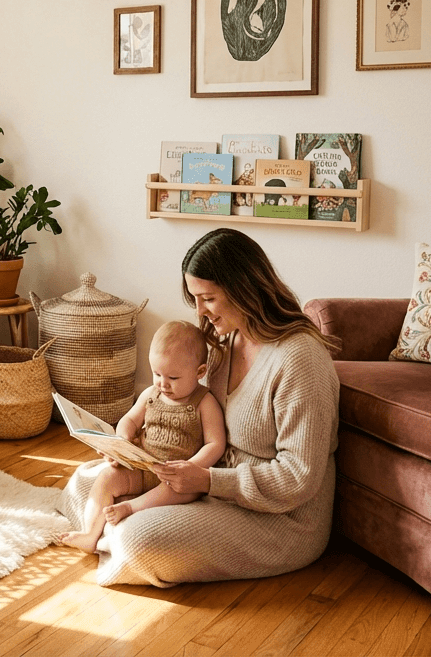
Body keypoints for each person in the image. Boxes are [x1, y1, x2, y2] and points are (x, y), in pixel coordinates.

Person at [58, 228, 341, 587]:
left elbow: (298, 478)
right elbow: (190, 411)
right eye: (194, 298)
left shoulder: (300, 359)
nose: (199, 312)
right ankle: (118, 523)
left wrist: (207, 480)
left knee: (137, 539)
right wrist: (134, 452)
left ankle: (120, 529)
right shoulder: (228, 338)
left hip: (280, 516)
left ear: (244, 289)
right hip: (212, 483)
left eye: (207, 298)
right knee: (85, 482)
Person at [60, 321, 226, 553]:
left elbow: (216, 443)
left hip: (178, 478)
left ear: (200, 371)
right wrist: (124, 439)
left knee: (177, 489)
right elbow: (129, 420)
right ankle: (90, 534)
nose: (162, 383)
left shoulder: (204, 402)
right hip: (143, 466)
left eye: (173, 378)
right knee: (107, 476)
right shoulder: (151, 394)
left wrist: (191, 468)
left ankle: (130, 507)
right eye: (157, 373)